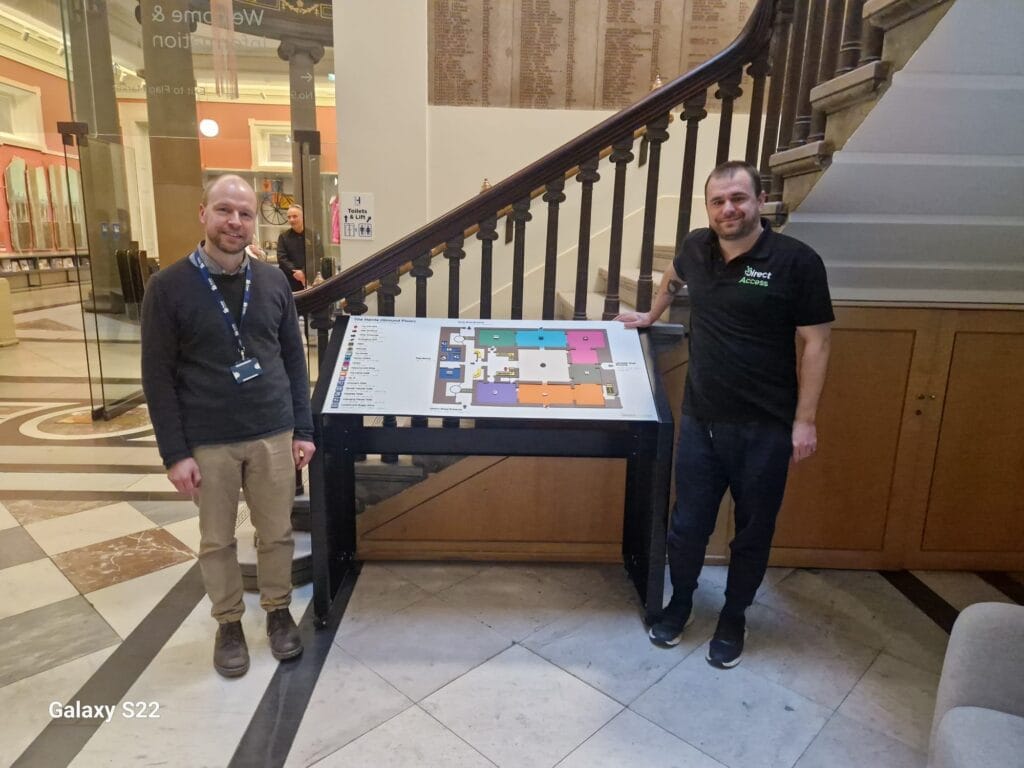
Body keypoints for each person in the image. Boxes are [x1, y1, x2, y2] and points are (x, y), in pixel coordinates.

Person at [617, 160, 833, 669]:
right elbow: (672, 276)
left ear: (759, 201)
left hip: (766, 428)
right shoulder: (696, 247)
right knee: (687, 525)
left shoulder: (796, 261)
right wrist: (651, 314)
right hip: (700, 422)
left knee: (753, 532)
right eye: (718, 201)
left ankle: (734, 616)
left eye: (738, 198)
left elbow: (817, 342)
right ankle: (683, 603)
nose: (728, 209)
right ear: (709, 209)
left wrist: (805, 421)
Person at [141, 174, 316, 678]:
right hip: (208, 439)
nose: (234, 222)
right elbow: (157, 376)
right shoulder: (168, 287)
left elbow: (291, 357)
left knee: (277, 532)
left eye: (243, 213)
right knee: (217, 539)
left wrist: (302, 429)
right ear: (203, 214)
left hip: (272, 431)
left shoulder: (272, 281)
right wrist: (175, 453)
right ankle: (229, 622)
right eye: (224, 211)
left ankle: (278, 612)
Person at [276, 204, 328, 291]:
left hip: (310, 278)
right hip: (290, 279)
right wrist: (297, 273)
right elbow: (282, 258)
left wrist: (304, 272)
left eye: (294, 216)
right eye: (289, 217)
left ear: (303, 217)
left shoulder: (313, 235)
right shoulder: (283, 236)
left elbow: (319, 256)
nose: (291, 219)